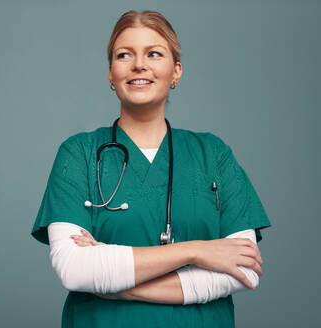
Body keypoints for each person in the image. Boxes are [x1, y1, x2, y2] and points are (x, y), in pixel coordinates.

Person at [30, 10, 271, 328]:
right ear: (111, 74)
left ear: (176, 71)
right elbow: (75, 269)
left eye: (154, 53)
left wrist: (116, 286)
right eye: (124, 55)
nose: (138, 65)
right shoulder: (79, 154)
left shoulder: (213, 154)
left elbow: (244, 269)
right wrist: (197, 252)